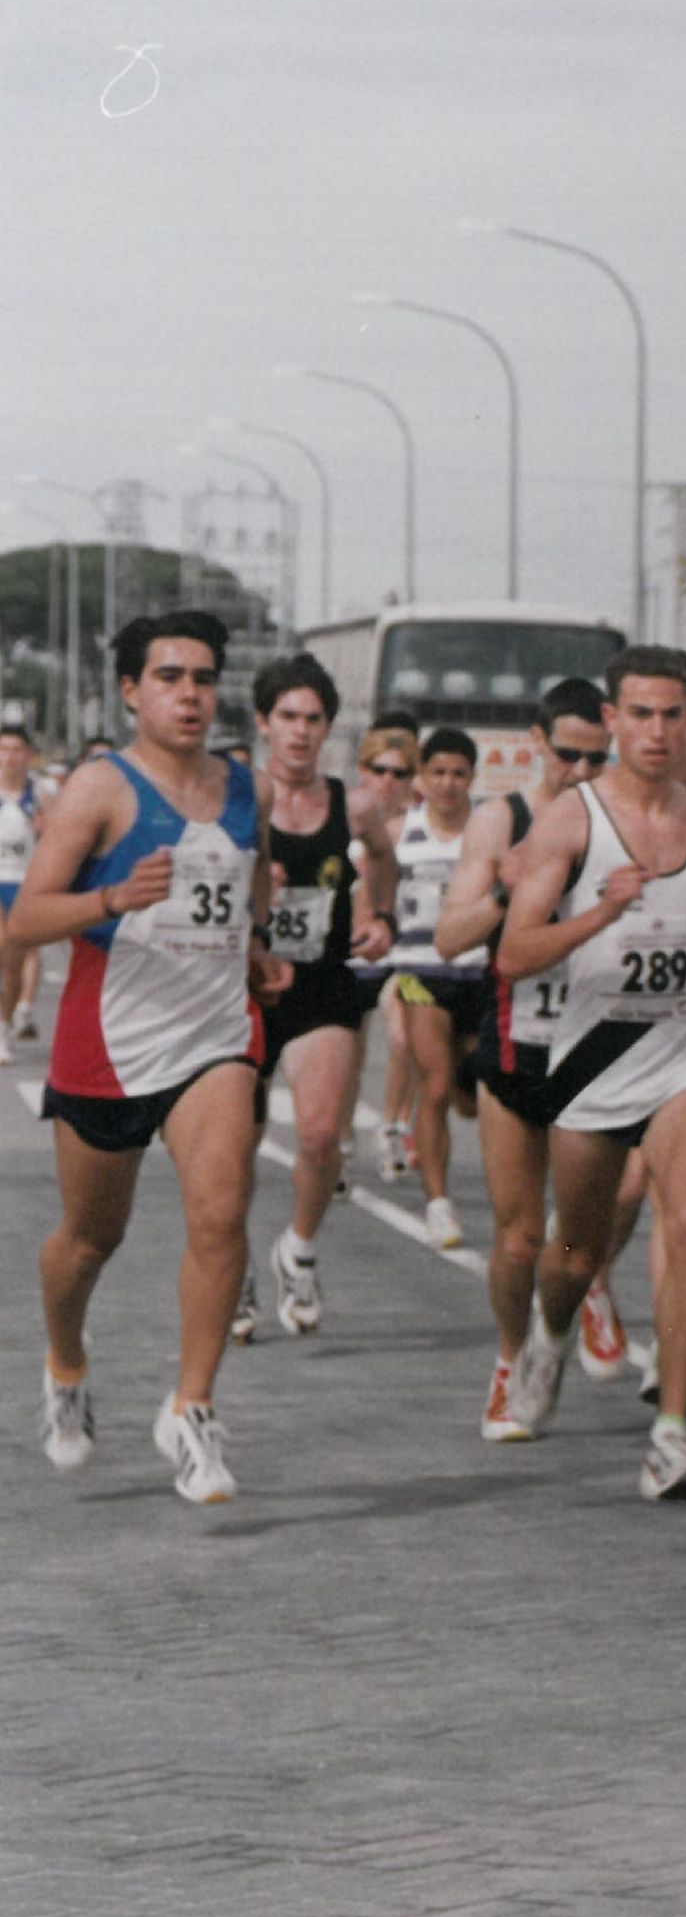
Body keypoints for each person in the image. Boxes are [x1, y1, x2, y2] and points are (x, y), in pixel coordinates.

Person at [24, 611, 291, 1501]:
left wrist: (256, 948)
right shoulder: (100, 790)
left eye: (204, 677)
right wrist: (111, 895)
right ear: (132, 690)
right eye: (170, 676)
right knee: (90, 1239)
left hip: (214, 1035)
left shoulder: (243, 785)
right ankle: (66, 1364)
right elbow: (21, 920)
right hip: (109, 1043)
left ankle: (193, 1406)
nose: (190, 693)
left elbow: (248, 880)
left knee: (221, 1214)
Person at [494, 646, 686, 1501]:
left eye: (674, 713)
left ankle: (673, 1435)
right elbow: (513, 953)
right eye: (640, 714)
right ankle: (545, 1338)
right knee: (574, 1253)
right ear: (612, 719)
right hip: (591, 1058)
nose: (657, 731)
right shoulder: (571, 822)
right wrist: (602, 912)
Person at [433, 677, 613, 1440]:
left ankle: (558, 1325)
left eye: (593, 756)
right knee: (516, 1237)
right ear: (537, 743)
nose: (579, 768)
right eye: (566, 752)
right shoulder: (499, 820)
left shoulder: (627, 822)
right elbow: (448, 938)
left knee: (577, 1240)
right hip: (514, 1045)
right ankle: (512, 1359)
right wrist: (507, 898)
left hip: (599, 1052)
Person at [247, 655, 400, 1337]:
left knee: (317, 1135)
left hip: (322, 985)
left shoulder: (354, 803)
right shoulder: (237, 797)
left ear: (328, 728)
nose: (301, 733)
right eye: (288, 718)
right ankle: (232, 1266)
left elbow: (384, 857)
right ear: (263, 723)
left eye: (313, 719)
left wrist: (382, 916)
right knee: (232, 1150)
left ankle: (298, 1250)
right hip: (243, 991)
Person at [385, 728, 488, 1250]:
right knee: (436, 1084)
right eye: (438, 773)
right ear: (422, 778)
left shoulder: (490, 830)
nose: (448, 784)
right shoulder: (402, 832)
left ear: (473, 777)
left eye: (459, 774)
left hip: (482, 973)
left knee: (476, 1101)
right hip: (423, 972)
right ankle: (438, 1203)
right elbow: (377, 893)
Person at [352, 726, 421, 1181]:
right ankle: (339, 1141)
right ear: (364, 771)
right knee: (348, 1057)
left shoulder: (423, 826)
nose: (389, 781)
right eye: (379, 770)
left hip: (405, 950)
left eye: (400, 773)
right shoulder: (347, 818)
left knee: (403, 1037)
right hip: (354, 955)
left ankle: (395, 1124)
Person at [0, 722, 53, 1050]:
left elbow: (61, 837)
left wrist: (46, 828)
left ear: (29, 755)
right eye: (3, 750)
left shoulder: (42, 793)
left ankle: (13, 1016)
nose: (9, 757)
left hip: (27, 882)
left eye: (17, 750)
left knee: (21, 956)